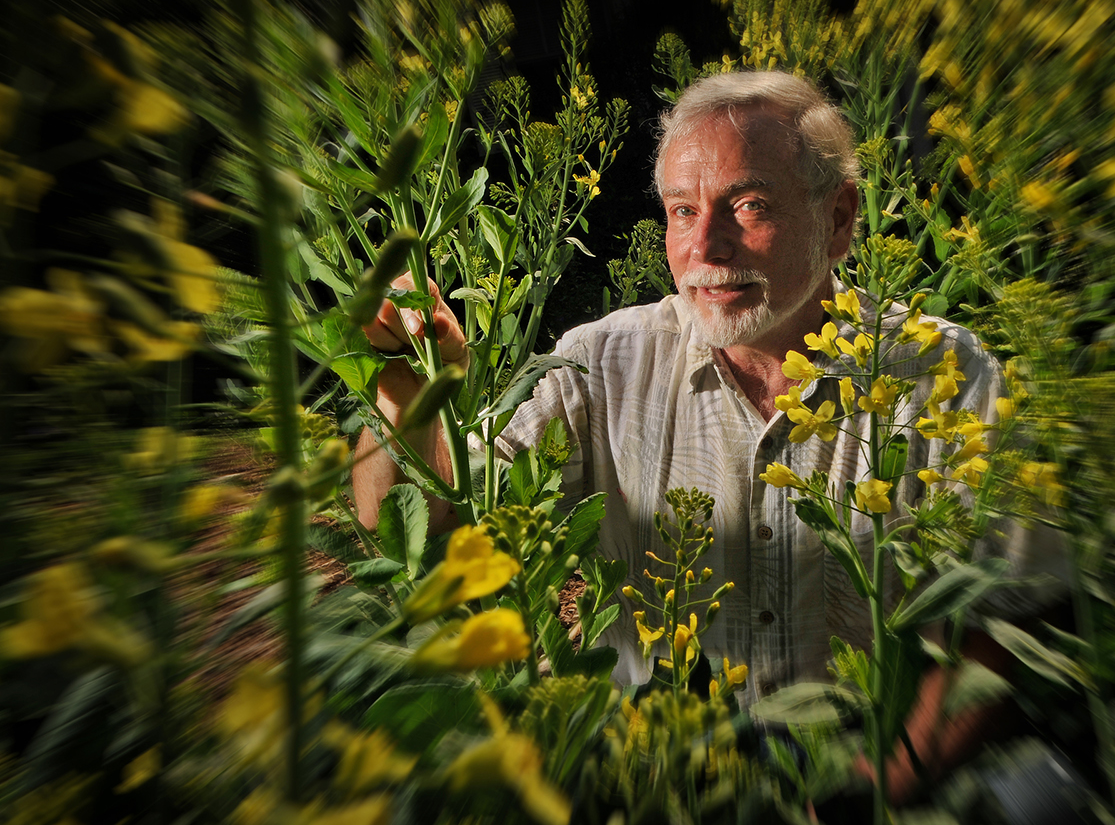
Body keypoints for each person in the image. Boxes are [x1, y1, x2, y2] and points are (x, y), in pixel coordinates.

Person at [354, 70, 1067, 803]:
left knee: (1046, 800)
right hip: (656, 775)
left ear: (841, 217)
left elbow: (1012, 614)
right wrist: (407, 389)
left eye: (749, 205)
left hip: (870, 774)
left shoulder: (945, 372)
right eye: (682, 210)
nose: (706, 247)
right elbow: (414, 525)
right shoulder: (599, 364)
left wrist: (885, 783)